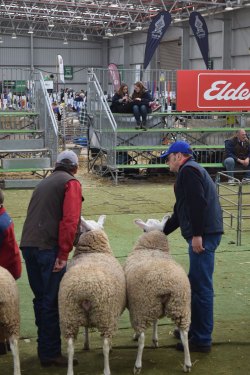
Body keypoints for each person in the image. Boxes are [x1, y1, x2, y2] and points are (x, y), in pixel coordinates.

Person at [20, 150, 83, 368]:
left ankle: (43, 347)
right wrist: (64, 253)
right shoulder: (71, 183)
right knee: (51, 301)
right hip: (48, 247)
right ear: (75, 168)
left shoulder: (43, 183)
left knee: (40, 299)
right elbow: (70, 220)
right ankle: (50, 353)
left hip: (28, 245)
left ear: (56, 165)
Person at [159, 141, 223, 353]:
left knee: (201, 287)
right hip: (205, 232)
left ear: (178, 156)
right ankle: (194, 329)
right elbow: (180, 212)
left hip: (203, 235)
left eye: (168, 157)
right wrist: (159, 234)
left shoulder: (189, 172)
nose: (167, 162)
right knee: (195, 284)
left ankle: (202, 339)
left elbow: (198, 203)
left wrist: (197, 235)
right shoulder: (189, 172)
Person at [0, 188, 22, 355]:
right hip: (11, 267)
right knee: (7, 307)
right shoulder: (4, 216)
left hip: (4, 269)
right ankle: (6, 341)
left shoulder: (1, 223)